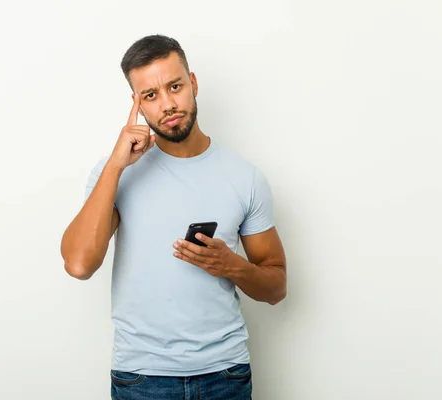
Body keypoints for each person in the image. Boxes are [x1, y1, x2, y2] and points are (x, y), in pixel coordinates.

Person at [61, 34, 287, 400]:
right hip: (142, 377)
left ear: (193, 83)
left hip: (225, 375)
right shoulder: (116, 173)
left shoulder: (244, 177)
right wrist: (116, 166)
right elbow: (79, 264)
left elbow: (277, 288)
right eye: (150, 95)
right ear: (136, 103)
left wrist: (231, 265)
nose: (167, 104)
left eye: (175, 86)